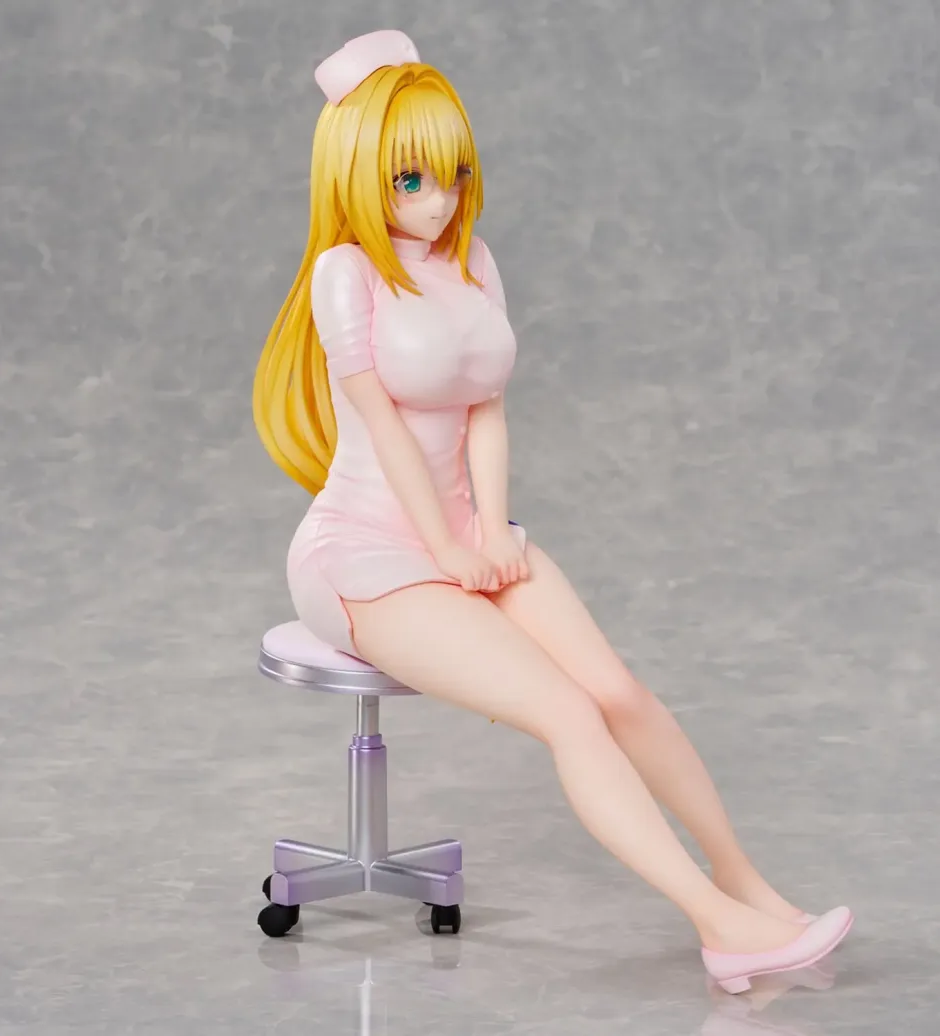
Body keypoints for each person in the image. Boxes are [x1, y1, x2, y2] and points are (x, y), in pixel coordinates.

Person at [252, 29, 852, 993]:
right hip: (364, 554)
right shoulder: (346, 274)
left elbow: (486, 410)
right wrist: (445, 546)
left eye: (453, 174)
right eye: (411, 181)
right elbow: (384, 425)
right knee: (568, 714)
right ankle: (719, 929)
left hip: (467, 532)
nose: (439, 201)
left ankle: (746, 886)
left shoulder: (474, 261)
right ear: (359, 174)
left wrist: (490, 531)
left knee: (618, 694)